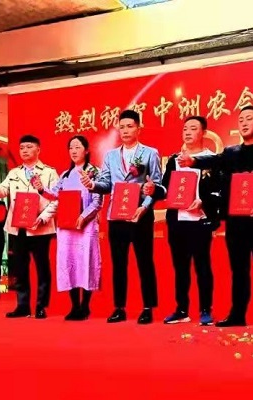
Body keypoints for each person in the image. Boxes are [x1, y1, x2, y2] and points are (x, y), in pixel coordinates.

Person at [178, 105, 253, 331]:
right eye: (241, 120)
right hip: (237, 221)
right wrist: (194, 162)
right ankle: (237, 315)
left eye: (249, 118)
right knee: (238, 270)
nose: (244, 123)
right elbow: (214, 160)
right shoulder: (231, 152)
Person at [80, 110, 166, 324]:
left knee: (145, 262)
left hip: (140, 215)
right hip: (116, 215)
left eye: (130, 126)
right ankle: (119, 307)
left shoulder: (150, 153)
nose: (125, 130)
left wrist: (144, 207)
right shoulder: (110, 156)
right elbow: (106, 184)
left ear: (138, 128)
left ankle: (148, 308)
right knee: (118, 263)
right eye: (122, 127)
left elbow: (156, 185)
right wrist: (92, 185)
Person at [0, 135, 59, 319]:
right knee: (19, 267)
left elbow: (56, 199)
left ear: (38, 150)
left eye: (29, 147)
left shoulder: (49, 172)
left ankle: (41, 306)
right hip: (18, 227)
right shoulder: (14, 173)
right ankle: (22, 305)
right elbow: (2, 191)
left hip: (39, 227)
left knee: (42, 267)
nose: (24, 150)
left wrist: (42, 218)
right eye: (22, 148)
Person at [34, 135, 102, 321]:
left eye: (78, 147)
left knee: (86, 263)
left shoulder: (94, 172)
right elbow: (54, 195)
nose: (74, 151)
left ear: (86, 150)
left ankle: (85, 306)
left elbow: (97, 202)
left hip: (86, 225)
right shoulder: (65, 175)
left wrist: (83, 217)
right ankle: (74, 306)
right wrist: (41, 189)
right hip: (66, 226)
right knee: (69, 263)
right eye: (71, 147)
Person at [161, 116, 221, 326]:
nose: (187, 132)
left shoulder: (212, 160)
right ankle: (181, 310)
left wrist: (203, 202)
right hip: (177, 220)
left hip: (200, 221)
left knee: (202, 266)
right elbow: (165, 188)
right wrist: (152, 190)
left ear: (203, 133)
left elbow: (221, 192)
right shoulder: (174, 160)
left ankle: (205, 310)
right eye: (185, 128)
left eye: (193, 128)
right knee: (180, 268)